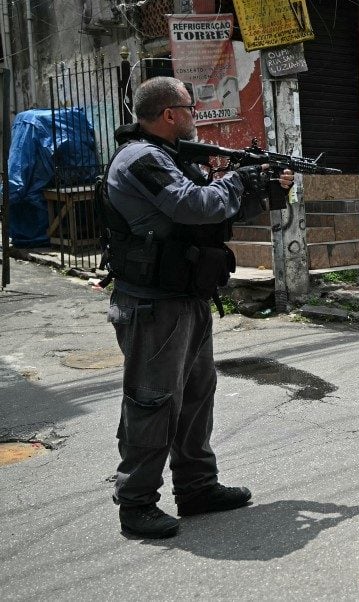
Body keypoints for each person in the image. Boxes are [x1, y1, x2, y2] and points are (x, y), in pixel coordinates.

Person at [101, 76, 294, 539]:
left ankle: (196, 487)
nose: (195, 116)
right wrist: (234, 179)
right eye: (190, 108)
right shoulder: (142, 159)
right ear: (170, 114)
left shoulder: (170, 158)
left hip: (185, 298)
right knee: (153, 403)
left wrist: (267, 188)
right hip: (153, 305)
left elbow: (214, 214)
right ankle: (137, 503)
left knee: (194, 398)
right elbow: (194, 206)